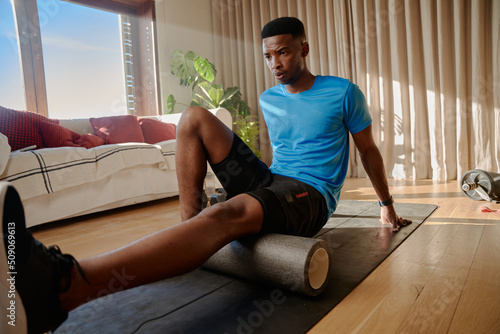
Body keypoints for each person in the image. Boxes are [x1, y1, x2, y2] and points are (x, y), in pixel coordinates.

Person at [1, 17, 411, 333]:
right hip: (271, 179)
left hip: (309, 195)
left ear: (303, 48)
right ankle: (188, 227)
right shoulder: (269, 97)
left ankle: (67, 283)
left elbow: (369, 151)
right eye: (268, 56)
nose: (275, 64)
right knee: (193, 117)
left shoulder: (342, 92)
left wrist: (386, 207)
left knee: (224, 215)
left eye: (284, 53)